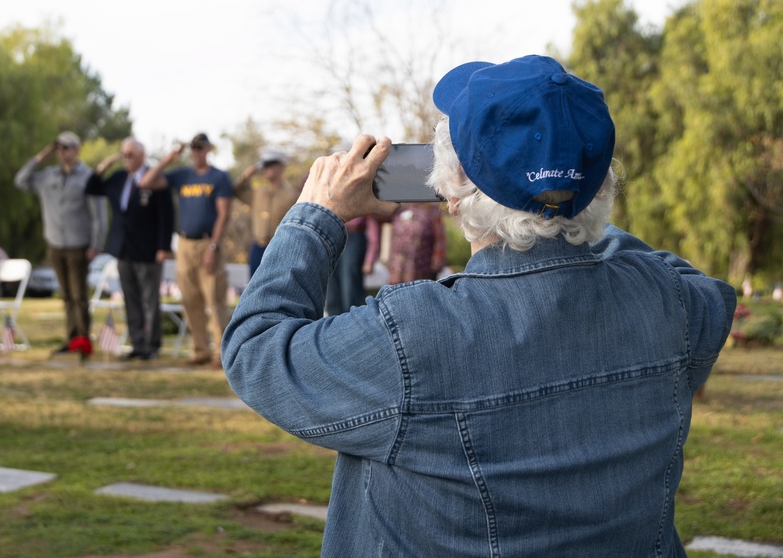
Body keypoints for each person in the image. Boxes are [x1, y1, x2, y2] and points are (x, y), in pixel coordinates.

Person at [222, 55, 736, 555]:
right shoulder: (670, 303)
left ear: (452, 188)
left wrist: (318, 213)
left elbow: (257, 349)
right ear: (602, 180)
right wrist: (570, 212)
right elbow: (698, 285)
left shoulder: (414, 337)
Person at [140, 133, 232, 367]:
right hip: (184, 244)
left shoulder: (218, 177)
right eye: (193, 148)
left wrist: (214, 246)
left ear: (208, 149)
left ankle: (222, 354)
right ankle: (199, 350)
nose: (196, 152)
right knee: (190, 299)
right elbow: (145, 182)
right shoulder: (182, 175)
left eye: (200, 148)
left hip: (208, 243)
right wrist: (168, 159)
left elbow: (223, 214)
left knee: (214, 298)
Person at [14, 131, 106, 354]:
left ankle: (83, 339)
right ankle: (71, 338)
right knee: (66, 296)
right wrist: (40, 157)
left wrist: (96, 244)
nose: (62, 152)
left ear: (77, 150)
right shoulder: (48, 176)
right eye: (59, 149)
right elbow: (21, 180)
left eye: (67, 148)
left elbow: (99, 215)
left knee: (79, 295)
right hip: (56, 243)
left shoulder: (87, 177)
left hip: (79, 244)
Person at [87, 138, 174, 360]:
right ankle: (137, 344)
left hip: (148, 248)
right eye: (123, 154)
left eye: (130, 154)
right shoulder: (117, 178)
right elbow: (92, 188)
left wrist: (164, 246)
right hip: (123, 248)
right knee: (130, 298)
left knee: (150, 299)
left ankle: (152, 345)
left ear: (142, 155)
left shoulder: (154, 179)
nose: (126, 159)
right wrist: (103, 166)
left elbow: (167, 214)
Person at [233, 150, 299, 278]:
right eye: (263, 165)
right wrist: (246, 175)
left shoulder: (291, 195)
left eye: (269, 165)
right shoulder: (258, 192)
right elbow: (236, 191)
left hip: (280, 248)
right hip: (258, 247)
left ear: (280, 167)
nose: (264, 168)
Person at [325, 215, 380, 315]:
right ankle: (333, 321)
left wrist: (370, 259)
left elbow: (373, 230)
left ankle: (354, 319)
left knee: (350, 285)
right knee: (332, 285)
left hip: (354, 238)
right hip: (333, 236)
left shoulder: (363, 202)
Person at [385, 202, 447, 284]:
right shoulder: (399, 208)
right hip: (397, 268)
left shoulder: (432, 211)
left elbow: (439, 239)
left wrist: (437, 263)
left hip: (421, 269)